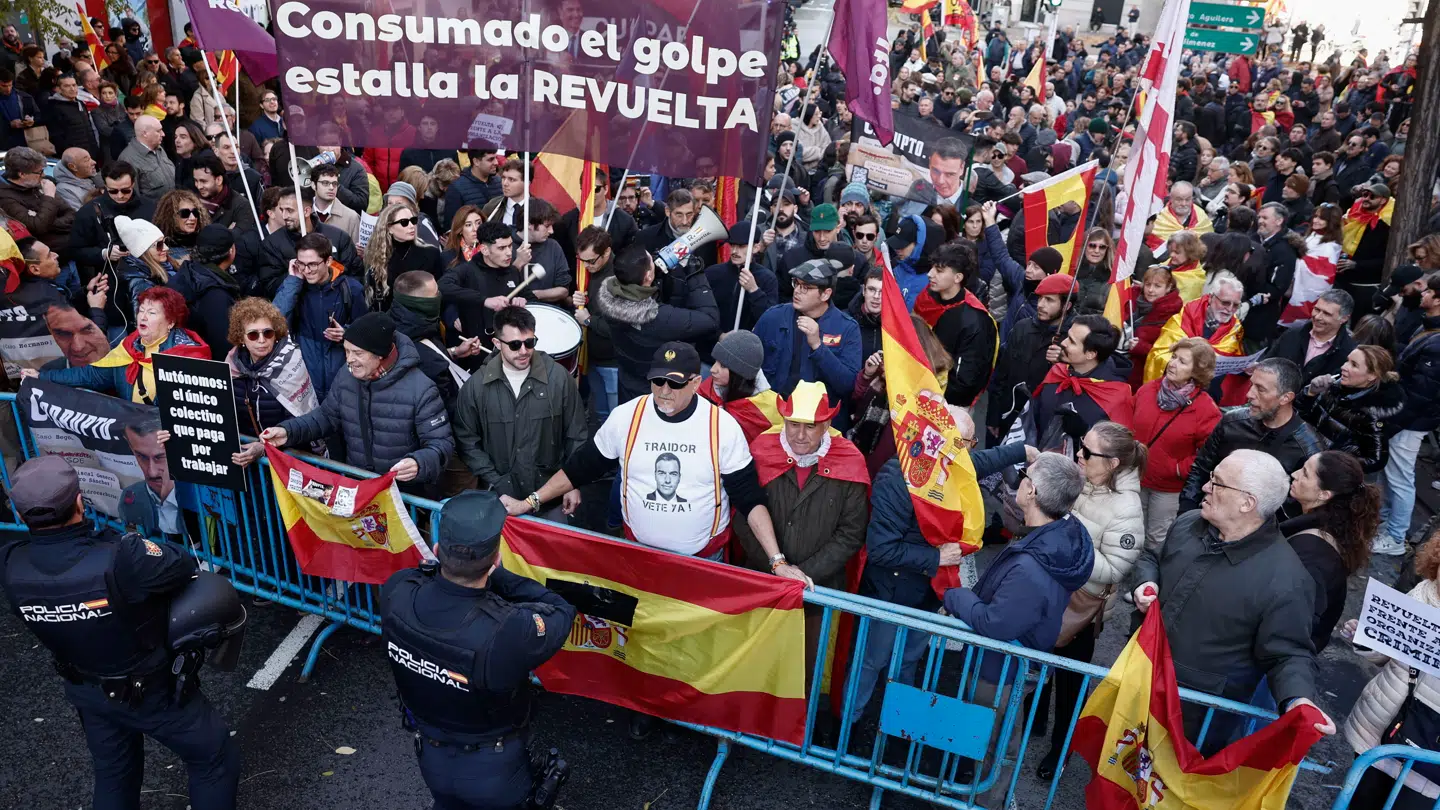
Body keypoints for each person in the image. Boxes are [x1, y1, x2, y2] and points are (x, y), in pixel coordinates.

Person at [0, 455, 240, 810]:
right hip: (152, 690)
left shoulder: (10, 564)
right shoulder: (121, 556)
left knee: (114, 776)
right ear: (80, 502)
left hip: (87, 691)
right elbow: (181, 563)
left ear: (21, 516)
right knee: (214, 757)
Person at [503, 341, 807, 585]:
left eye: (674, 384)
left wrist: (777, 561)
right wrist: (528, 503)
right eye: (657, 381)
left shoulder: (722, 427)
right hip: (637, 558)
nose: (663, 391)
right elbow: (582, 467)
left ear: (696, 382)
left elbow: (750, 498)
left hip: (700, 565)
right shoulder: (627, 416)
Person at [381, 490, 575, 810]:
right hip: (494, 770)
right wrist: (497, 577)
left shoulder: (398, 591)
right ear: (495, 560)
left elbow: (423, 577)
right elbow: (561, 611)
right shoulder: (509, 629)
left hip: (431, 759)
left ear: (436, 549)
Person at [1133, 448, 1336, 752]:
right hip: (1138, 676)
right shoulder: (1189, 523)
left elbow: (1288, 653)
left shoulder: (1286, 580)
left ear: (1247, 503)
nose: (1204, 486)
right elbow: (1152, 556)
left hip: (1193, 717)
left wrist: (1298, 699)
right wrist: (1146, 580)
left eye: (1217, 482)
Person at [850, 407, 1035, 721]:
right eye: (955, 443)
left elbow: (981, 460)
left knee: (909, 660)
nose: (961, 452)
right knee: (872, 661)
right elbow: (881, 549)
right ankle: (850, 720)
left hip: (927, 593)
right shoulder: (898, 476)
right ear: (934, 438)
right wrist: (937, 558)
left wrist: (1023, 450)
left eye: (967, 445)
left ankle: (899, 722)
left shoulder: (953, 460)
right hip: (889, 594)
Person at [943, 451, 1093, 807]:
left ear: (1033, 492)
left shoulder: (1031, 568)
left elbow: (996, 624)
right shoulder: (1066, 535)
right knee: (1000, 733)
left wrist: (957, 597)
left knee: (993, 738)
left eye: (1025, 475)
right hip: (1015, 665)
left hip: (999, 669)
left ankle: (987, 799)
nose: (1020, 480)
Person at [1035, 423, 1146, 779]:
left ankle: (1061, 748)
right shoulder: (1083, 477)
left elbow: (1115, 568)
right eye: (1080, 446)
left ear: (1112, 463)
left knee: (1070, 681)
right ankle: (1034, 716)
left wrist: (1061, 545)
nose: (1078, 455)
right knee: (1037, 660)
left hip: (1081, 607)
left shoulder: (1127, 509)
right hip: (1049, 590)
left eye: (1087, 452)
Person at [736, 381, 868, 675]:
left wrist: (802, 576)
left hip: (816, 591)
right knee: (755, 666)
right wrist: (775, 568)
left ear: (827, 424)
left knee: (803, 672)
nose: (799, 434)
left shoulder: (851, 461)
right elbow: (743, 518)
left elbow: (851, 534)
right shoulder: (760, 451)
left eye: (810, 426)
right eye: (793, 424)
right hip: (763, 580)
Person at [261, 312, 455, 493]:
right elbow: (327, 416)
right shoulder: (347, 375)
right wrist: (288, 431)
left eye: (358, 353)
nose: (349, 360)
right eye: (346, 351)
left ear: (380, 355)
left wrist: (418, 463)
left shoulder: (421, 389)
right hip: (359, 489)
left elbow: (440, 444)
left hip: (402, 494)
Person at [453, 305, 587, 519]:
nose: (524, 351)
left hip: (551, 496)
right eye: (515, 345)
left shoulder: (559, 378)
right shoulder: (476, 387)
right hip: (501, 498)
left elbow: (576, 434)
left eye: (529, 342)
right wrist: (498, 482)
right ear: (497, 343)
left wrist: (572, 482)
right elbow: (467, 441)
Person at [1342, 532, 1440, 808]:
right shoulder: (1422, 593)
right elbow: (1390, 657)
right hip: (1380, 727)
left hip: (1428, 751)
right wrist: (1366, 640)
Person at [1179, 358, 1325, 513]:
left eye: (1260, 389)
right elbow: (1202, 467)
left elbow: (1300, 506)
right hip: (1209, 516)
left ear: (1285, 398)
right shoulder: (1231, 422)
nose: (1249, 394)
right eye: (1251, 385)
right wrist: (1186, 509)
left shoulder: (1308, 448)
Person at [590, 246, 719, 407]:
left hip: (629, 384)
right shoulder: (659, 318)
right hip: (659, 392)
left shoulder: (609, 299)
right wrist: (696, 274)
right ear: (648, 275)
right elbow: (710, 320)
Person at [32, 287, 209, 403]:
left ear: (170, 322)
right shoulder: (129, 347)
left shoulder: (189, 356)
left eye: (152, 313)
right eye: (141, 311)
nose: (143, 317)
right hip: (138, 437)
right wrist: (42, 377)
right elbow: (92, 375)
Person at [1132, 338, 1222, 550]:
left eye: (1182, 361)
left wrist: (1177, 469)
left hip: (1167, 490)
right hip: (1134, 478)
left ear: (1197, 370)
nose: (1172, 364)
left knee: (1156, 541)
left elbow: (1210, 453)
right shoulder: (1147, 390)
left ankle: (1149, 581)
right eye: (1173, 357)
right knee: (1131, 531)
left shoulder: (1205, 409)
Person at [1286, 452, 1379, 654]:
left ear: (1324, 495)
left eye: (1305, 473)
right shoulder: (1335, 525)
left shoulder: (1311, 555)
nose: (1294, 474)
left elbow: (1291, 621)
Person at [1373, 276, 1440, 556]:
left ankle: (1397, 536)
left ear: (1438, 299)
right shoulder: (1429, 330)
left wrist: (1394, 421)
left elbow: (1422, 393)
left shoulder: (1436, 343)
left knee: (1400, 476)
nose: (1422, 293)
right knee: (1391, 472)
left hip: (1411, 421)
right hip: (1408, 417)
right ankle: (1388, 522)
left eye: (1429, 291)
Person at [753, 258, 862, 420]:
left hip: (818, 421)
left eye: (805, 287)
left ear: (826, 294)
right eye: (796, 283)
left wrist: (818, 346)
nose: (797, 291)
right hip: (772, 415)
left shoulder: (847, 328)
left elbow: (847, 385)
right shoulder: (773, 317)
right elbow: (750, 366)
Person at [272, 232, 370, 405]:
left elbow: (365, 333)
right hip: (304, 376)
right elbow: (275, 319)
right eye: (301, 264)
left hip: (341, 376)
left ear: (329, 261)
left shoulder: (351, 289)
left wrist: (346, 334)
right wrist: (293, 280)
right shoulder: (295, 285)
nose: (307, 270)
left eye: (313, 264)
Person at [225, 297, 317, 465]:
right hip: (248, 462)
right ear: (241, 338)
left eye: (267, 333)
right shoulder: (231, 366)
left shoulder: (292, 362)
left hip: (290, 462)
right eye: (253, 335)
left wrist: (264, 447)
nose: (261, 340)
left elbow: (303, 419)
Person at [913, 242, 999, 409]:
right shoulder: (926, 299)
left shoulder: (976, 320)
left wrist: (929, 394)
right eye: (932, 268)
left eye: (939, 271)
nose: (930, 274)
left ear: (958, 278)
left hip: (946, 404)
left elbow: (965, 381)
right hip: (915, 388)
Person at [1028, 314, 1133, 450]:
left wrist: (1084, 432)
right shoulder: (1058, 371)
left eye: (1071, 341)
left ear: (1090, 354)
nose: (1063, 343)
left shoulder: (1117, 396)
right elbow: (1037, 414)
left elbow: (1118, 449)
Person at [1143, 272, 1247, 405]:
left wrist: (1245, 370)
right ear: (1210, 298)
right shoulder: (1184, 317)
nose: (1229, 310)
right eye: (1225, 303)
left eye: (1236, 305)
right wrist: (1189, 364)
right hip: (1172, 394)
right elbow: (1160, 354)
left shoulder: (1235, 329)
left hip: (1207, 398)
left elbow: (1234, 362)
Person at [1297, 344, 1404, 474]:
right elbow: (1299, 415)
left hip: (1319, 473)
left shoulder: (1371, 414)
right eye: (1347, 361)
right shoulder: (1333, 386)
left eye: (1354, 365)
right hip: (1298, 453)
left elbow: (1375, 460)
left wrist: (1332, 463)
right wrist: (1310, 393)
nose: (1343, 367)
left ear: (1372, 375)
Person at [697, 330, 781, 442]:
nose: (713, 369)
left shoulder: (771, 408)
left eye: (723, 366)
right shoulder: (707, 389)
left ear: (739, 373)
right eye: (715, 361)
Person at [363, 200, 443, 311]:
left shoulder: (431, 253)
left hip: (422, 317)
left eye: (413, 220)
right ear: (389, 228)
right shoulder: (377, 256)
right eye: (404, 222)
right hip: (390, 319)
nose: (411, 226)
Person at [705, 222, 779, 336]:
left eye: (741, 246)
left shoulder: (767, 278)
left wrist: (754, 290)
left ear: (756, 247)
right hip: (712, 346)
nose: (734, 251)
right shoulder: (712, 273)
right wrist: (719, 335)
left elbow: (770, 319)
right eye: (732, 245)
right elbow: (703, 312)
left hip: (749, 347)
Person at [0, 147, 75, 255]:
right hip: (48, 258)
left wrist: (46, 220)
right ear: (22, 174)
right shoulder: (6, 198)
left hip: (69, 248)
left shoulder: (36, 184)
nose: (44, 175)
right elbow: (38, 227)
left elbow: (71, 214)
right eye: (39, 172)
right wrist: (49, 196)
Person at [1122, 265, 1185, 389]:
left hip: (1143, 377)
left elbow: (1169, 354)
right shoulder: (1131, 299)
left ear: (1169, 288)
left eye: (1157, 286)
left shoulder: (1173, 314)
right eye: (1148, 284)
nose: (1150, 290)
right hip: (1120, 366)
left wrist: (1140, 347)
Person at [117, 115, 175, 199]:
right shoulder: (128, 159)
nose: (163, 134)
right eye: (158, 131)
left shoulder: (159, 149)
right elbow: (132, 197)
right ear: (145, 133)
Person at [309, 164, 361, 247]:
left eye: (334, 183)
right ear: (313, 185)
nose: (331, 187)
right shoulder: (303, 213)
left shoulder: (351, 217)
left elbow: (356, 255)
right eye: (325, 183)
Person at [54, 147, 98, 212]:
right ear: (73, 167)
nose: (94, 162)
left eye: (90, 158)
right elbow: (79, 215)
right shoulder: (64, 190)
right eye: (87, 160)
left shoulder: (95, 179)